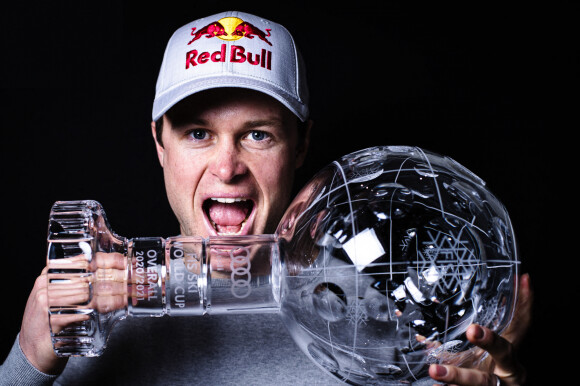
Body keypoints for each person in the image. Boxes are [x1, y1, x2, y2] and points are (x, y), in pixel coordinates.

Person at [0, 11, 532, 385]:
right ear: (159, 143)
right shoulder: (85, 317)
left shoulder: (379, 318)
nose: (227, 167)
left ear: (300, 147)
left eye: (258, 135)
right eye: (197, 133)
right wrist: (29, 361)